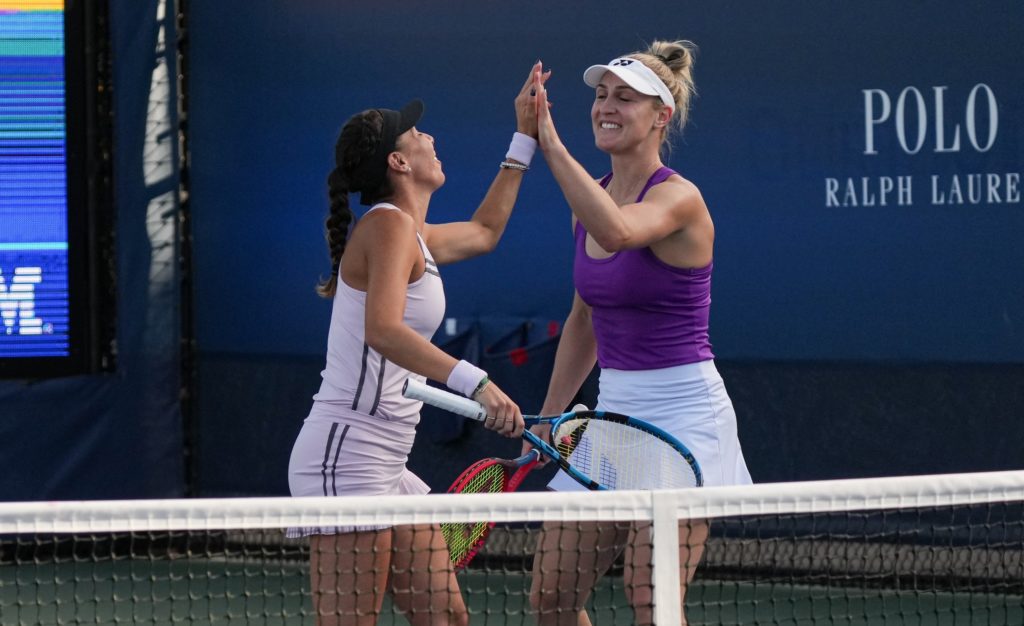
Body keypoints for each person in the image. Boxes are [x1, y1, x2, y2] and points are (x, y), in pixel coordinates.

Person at [287, 62, 550, 626]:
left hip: (387, 458)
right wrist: (476, 382)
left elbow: (484, 232)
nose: (430, 137)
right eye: (416, 134)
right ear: (398, 162)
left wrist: (524, 137)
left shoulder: (409, 234)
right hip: (349, 455)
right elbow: (382, 330)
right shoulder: (386, 225)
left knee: (448, 618)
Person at [524, 42, 752, 625]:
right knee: (550, 599)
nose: (607, 106)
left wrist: (548, 142)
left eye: (625, 97)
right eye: (601, 95)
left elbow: (623, 232)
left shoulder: (679, 198)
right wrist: (550, 415)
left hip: (686, 418)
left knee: (652, 600)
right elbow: (584, 320)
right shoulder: (589, 201)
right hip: (613, 416)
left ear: (661, 117)